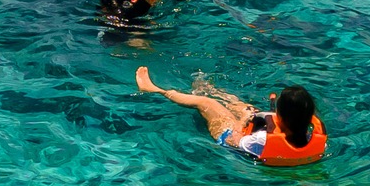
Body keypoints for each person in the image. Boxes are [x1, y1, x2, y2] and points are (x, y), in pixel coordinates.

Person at [134, 67, 327, 166]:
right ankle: (212, 89)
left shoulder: (261, 139)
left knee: (207, 103)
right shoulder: (317, 140)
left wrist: (243, 121)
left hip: (231, 139)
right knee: (247, 108)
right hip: (259, 140)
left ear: (281, 117)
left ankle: (154, 89)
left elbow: (235, 140)